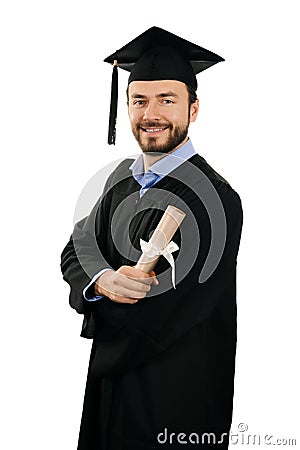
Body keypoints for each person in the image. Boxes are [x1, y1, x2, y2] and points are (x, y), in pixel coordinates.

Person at [61, 26, 243, 450]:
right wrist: (101, 281)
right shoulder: (119, 180)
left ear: (193, 109)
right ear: (126, 106)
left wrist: (99, 303)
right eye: (140, 100)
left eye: (167, 99)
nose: (151, 113)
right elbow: (76, 249)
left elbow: (164, 311)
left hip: (177, 402)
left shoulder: (215, 197)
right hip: (110, 397)